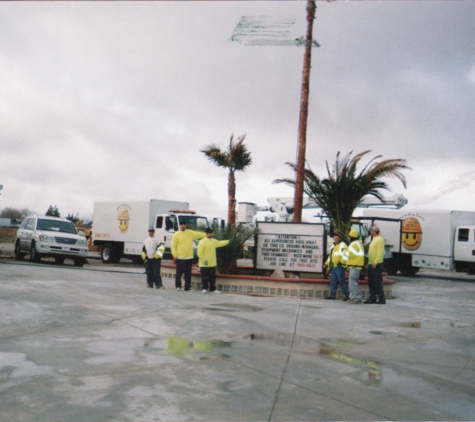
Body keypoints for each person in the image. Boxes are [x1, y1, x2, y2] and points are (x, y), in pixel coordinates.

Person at [171, 221, 206, 291]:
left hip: (189, 257)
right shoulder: (176, 235)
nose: (183, 226)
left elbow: (198, 234)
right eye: (181, 225)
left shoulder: (190, 233)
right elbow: (173, 246)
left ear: (185, 226)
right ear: (179, 226)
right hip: (180, 258)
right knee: (179, 274)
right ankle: (178, 286)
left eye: (184, 225)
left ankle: (187, 287)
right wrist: (175, 255)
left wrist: (207, 234)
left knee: (188, 274)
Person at [198, 228, 232, 293]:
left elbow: (220, 243)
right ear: (206, 234)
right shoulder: (202, 242)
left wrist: (228, 241)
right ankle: (204, 288)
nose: (211, 234)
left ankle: (212, 288)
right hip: (204, 264)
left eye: (211, 233)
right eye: (209, 233)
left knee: (212, 277)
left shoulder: (214, 241)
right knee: (204, 277)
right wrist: (204, 260)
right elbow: (200, 253)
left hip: (212, 263)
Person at [324, 233, 350, 301]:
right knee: (333, 281)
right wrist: (326, 263)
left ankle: (347, 295)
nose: (336, 239)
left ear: (340, 239)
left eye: (337, 238)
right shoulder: (333, 246)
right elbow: (331, 256)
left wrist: (341, 262)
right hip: (334, 266)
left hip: (339, 266)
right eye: (335, 238)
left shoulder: (343, 245)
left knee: (342, 281)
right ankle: (332, 295)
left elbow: (346, 255)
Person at [342, 229, 365, 304]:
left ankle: (357, 298)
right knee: (352, 282)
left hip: (354, 266)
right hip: (356, 265)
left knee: (353, 283)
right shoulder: (359, 243)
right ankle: (353, 297)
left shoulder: (353, 244)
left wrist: (344, 250)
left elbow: (350, 255)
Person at [365, 225, 386, 304]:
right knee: (371, 282)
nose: (370, 232)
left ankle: (381, 298)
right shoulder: (374, 239)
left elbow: (380, 252)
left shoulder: (380, 239)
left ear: (374, 231)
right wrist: (368, 263)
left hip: (376, 264)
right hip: (371, 263)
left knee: (377, 282)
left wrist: (376, 262)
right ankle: (372, 297)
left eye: (371, 230)